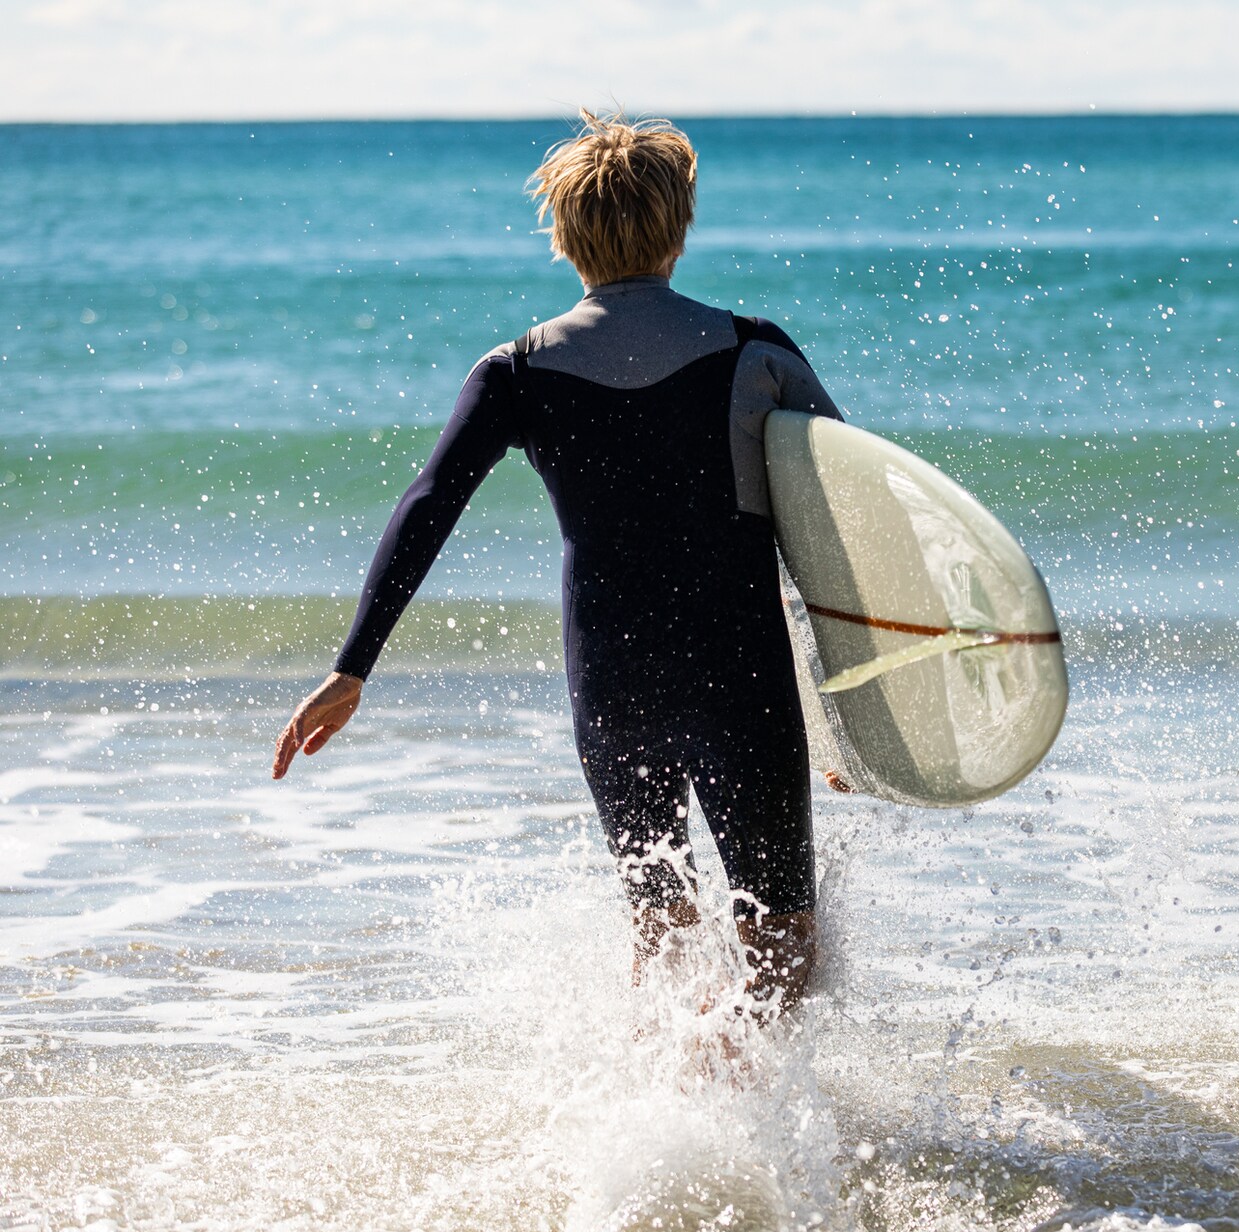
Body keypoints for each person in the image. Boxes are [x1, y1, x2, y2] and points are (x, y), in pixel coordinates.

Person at [272, 111, 840, 1012]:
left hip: (613, 681)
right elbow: (834, 520)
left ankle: (668, 1127)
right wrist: (839, 698)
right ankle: (745, 1111)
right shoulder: (755, 351)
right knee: (780, 942)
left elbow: (427, 504)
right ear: (681, 227)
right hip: (741, 675)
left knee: (663, 929)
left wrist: (352, 666)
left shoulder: (516, 371)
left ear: (564, 237)